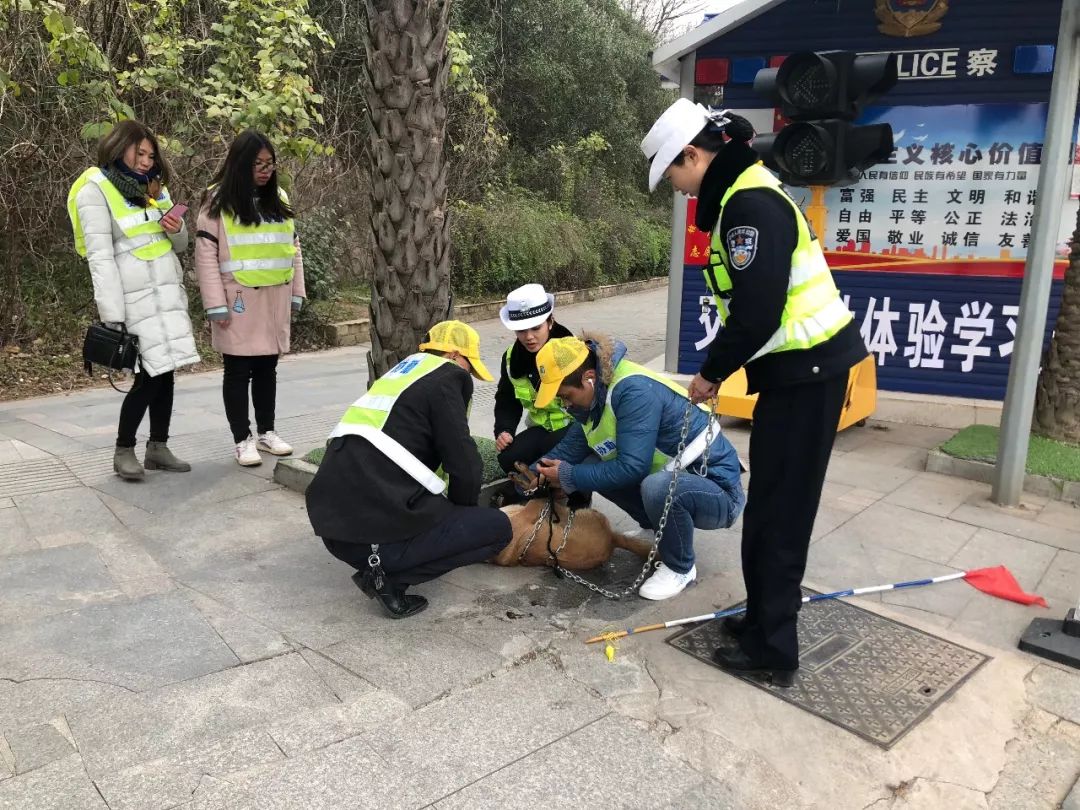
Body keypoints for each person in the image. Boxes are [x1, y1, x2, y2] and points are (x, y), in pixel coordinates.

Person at [641, 99, 868, 686]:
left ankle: (773, 648)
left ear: (694, 154)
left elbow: (760, 312)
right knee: (769, 505)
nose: (678, 187)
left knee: (780, 513)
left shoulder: (749, 203)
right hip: (795, 376)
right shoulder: (744, 190)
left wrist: (711, 372)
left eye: (675, 173)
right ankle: (763, 617)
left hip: (808, 374)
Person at [306, 321, 512, 619]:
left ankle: (384, 563)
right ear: (454, 355)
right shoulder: (446, 379)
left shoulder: (402, 374)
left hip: (334, 533)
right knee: (497, 528)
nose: (469, 376)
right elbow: (466, 465)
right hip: (374, 543)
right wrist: (462, 517)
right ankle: (387, 581)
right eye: (470, 367)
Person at [528, 333, 744, 601]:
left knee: (651, 485)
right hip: (676, 479)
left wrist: (568, 476)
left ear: (588, 378)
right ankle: (653, 525)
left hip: (717, 490)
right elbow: (570, 450)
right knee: (593, 465)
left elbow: (632, 468)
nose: (564, 404)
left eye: (565, 396)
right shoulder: (594, 399)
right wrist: (534, 473)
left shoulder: (632, 391)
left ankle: (680, 567)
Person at [68, 120, 200, 481]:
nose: (145, 161)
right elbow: (100, 258)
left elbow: (179, 244)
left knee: (167, 373)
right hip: (132, 301)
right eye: (139, 153)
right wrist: (113, 316)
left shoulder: (155, 189)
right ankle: (123, 449)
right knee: (148, 378)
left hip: (166, 295)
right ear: (118, 146)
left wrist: (178, 230)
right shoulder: (95, 189)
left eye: (150, 154)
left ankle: (158, 447)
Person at [195, 130, 306, 466]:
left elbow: (294, 248)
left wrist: (297, 293)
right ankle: (242, 439)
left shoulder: (280, 198)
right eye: (258, 163)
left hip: (274, 299)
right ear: (240, 163)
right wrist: (215, 305)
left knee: (267, 369)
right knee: (238, 370)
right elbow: (205, 255)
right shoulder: (217, 201)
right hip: (238, 300)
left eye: (269, 164)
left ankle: (266, 432)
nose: (265, 170)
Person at [493, 283, 575, 497]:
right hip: (541, 428)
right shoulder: (511, 358)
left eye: (535, 328)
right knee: (508, 458)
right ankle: (540, 497)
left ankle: (576, 499)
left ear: (550, 322)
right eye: (521, 330)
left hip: (576, 427)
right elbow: (506, 400)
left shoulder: (572, 351)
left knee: (546, 460)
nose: (529, 336)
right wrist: (504, 430)